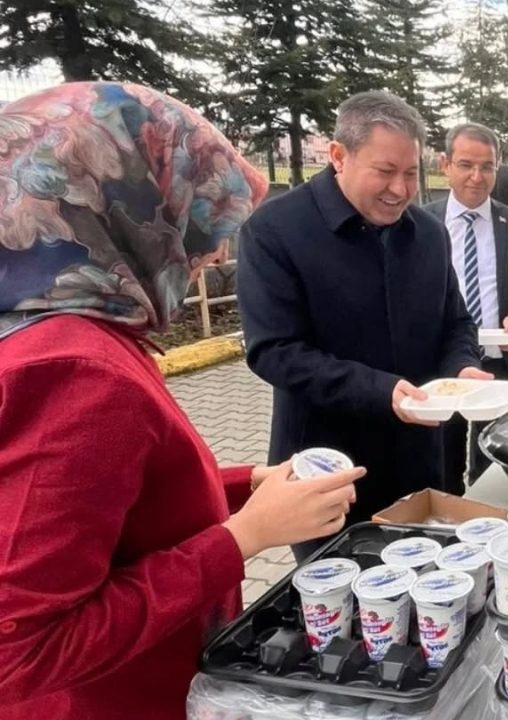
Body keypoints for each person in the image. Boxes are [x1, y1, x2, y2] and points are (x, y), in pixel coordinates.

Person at [0, 81, 363, 720]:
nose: (214, 252)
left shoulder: (49, 325)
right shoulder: (76, 367)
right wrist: (244, 538)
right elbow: (22, 649)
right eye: (198, 221)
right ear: (122, 206)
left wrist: (247, 484)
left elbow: (110, 509)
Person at [237, 91, 489, 562]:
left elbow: (455, 322)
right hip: (327, 466)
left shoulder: (429, 235)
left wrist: (462, 368)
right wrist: (381, 390)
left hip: (418, 459)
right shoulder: (274, 230)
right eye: (385, 171)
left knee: (427, 590)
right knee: (341, 613)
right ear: (338, 156)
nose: (401, 188)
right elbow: (274, 350)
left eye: (411, 173)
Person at [425, 124, 508, 486]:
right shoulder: (419, 224)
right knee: (442, 465)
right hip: (441, 368)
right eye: (466, 165)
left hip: (500, 363)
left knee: (494, 465)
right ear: (445, 164)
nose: (477, 177)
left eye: (487, 166)